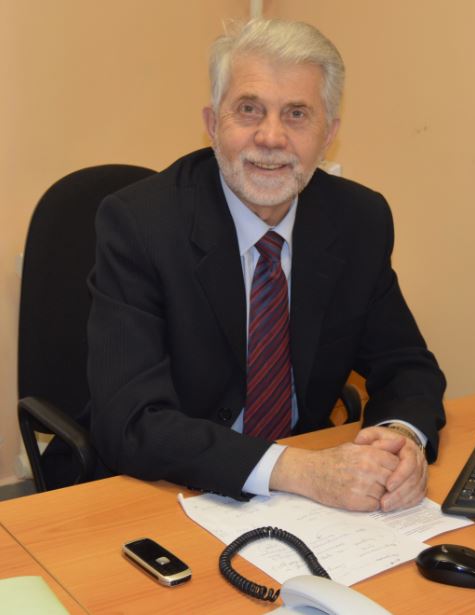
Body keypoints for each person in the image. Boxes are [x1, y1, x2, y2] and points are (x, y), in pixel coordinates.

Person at [86, 18, 446, 513]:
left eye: (297, 114)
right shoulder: (140, 224)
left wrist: (400, 439)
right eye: (249, 109)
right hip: (164, 490)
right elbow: (131, 422)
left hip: (308, 508)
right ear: (213, 124)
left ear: (328, 135)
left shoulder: (358, 220)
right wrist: (298, 470)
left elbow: (405, 364)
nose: (271, 137)